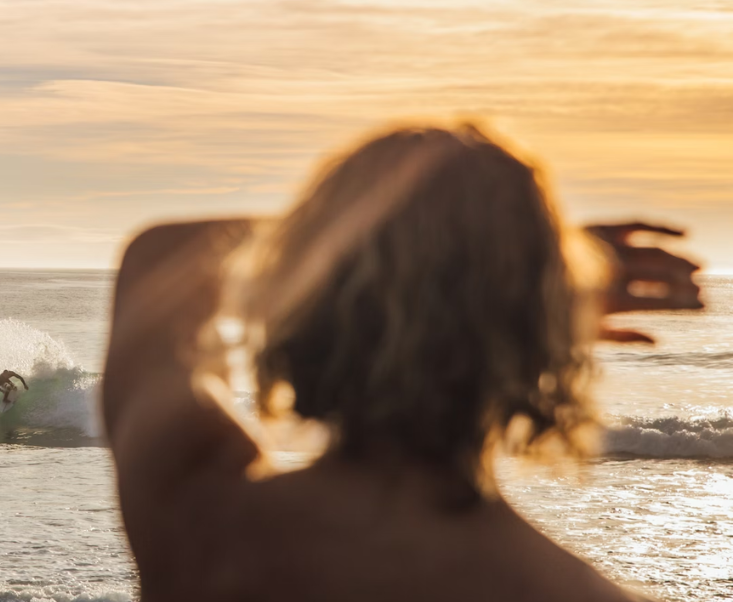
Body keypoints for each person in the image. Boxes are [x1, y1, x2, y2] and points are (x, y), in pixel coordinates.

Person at [101, 124, 702, 601]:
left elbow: (160, 259)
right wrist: (524, 265)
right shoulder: (564, 591)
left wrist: (363, 241)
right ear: (540, 334)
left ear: (311, 305)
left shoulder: (204, 524)